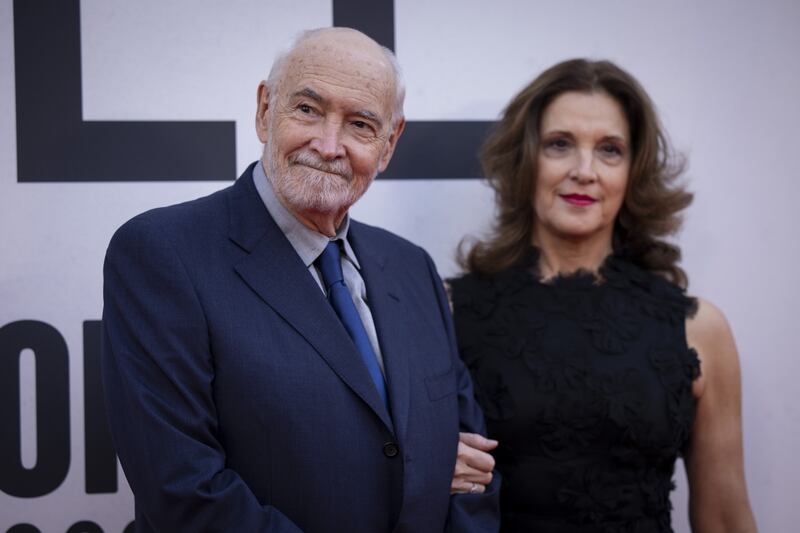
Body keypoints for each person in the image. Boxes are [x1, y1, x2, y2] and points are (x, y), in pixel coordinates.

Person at [102, 27, 499, 532]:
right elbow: (184, 491)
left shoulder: (411, 266)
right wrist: (424, 463)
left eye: (359, 124)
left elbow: (476, 470)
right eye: (308, 110)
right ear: (266, 110)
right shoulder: (163, 253)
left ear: (389, 143)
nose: (328, 145)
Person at [448, 59, 757, 532]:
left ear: (634, 172)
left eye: (609, 150)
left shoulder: (700, 329)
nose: (584, 171)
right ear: (525, 159)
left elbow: (725, 518)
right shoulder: (447, 312)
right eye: (560, 145)